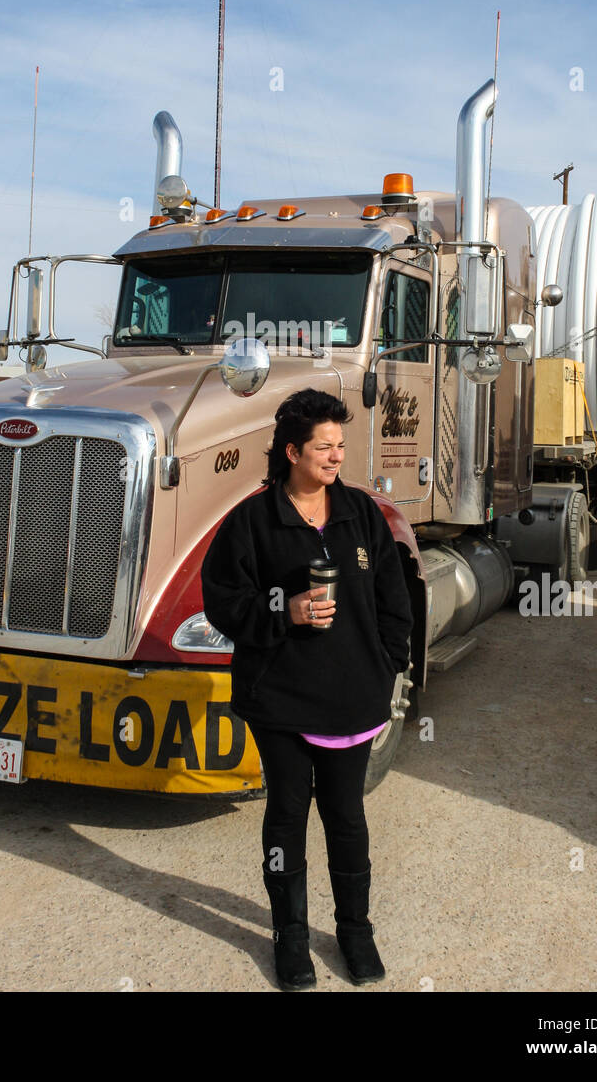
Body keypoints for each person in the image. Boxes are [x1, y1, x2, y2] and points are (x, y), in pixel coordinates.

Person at [200, 388, 414, 990]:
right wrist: (283, 611)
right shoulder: (254, 520)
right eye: (324, 446)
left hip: (352, 698)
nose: (336, 456)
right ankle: (290, 937)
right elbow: (223, 600)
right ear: (292, 450)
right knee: (288, 814)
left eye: (341, 445)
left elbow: (394, 599)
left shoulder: (362, 513)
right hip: (281, 700)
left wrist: (386, 663)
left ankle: (355, 932)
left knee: (346, 816)